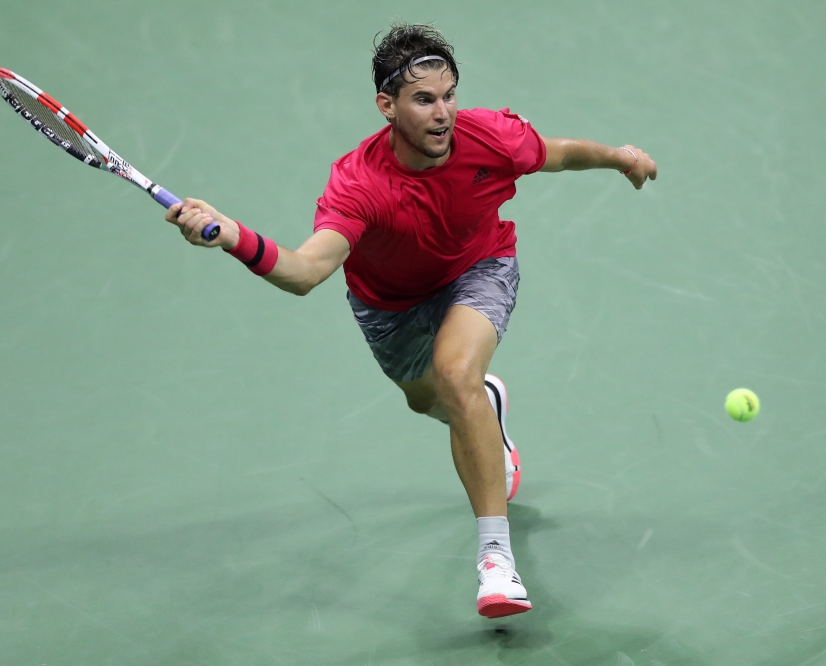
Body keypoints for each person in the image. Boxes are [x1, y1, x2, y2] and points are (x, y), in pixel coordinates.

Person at [165, 23, 657, 619]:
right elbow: (303, 272)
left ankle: (496, 564)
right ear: (387, 106)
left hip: (480, 268)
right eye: (424, 99)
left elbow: (556, 153)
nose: (443, 112)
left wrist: (620, 157)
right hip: (388, 305)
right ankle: (485, 410)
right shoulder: (358, 183)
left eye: (449, 94)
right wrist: (233, 237)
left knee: (456, 375)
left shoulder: (490, 137)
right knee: (433, 401)